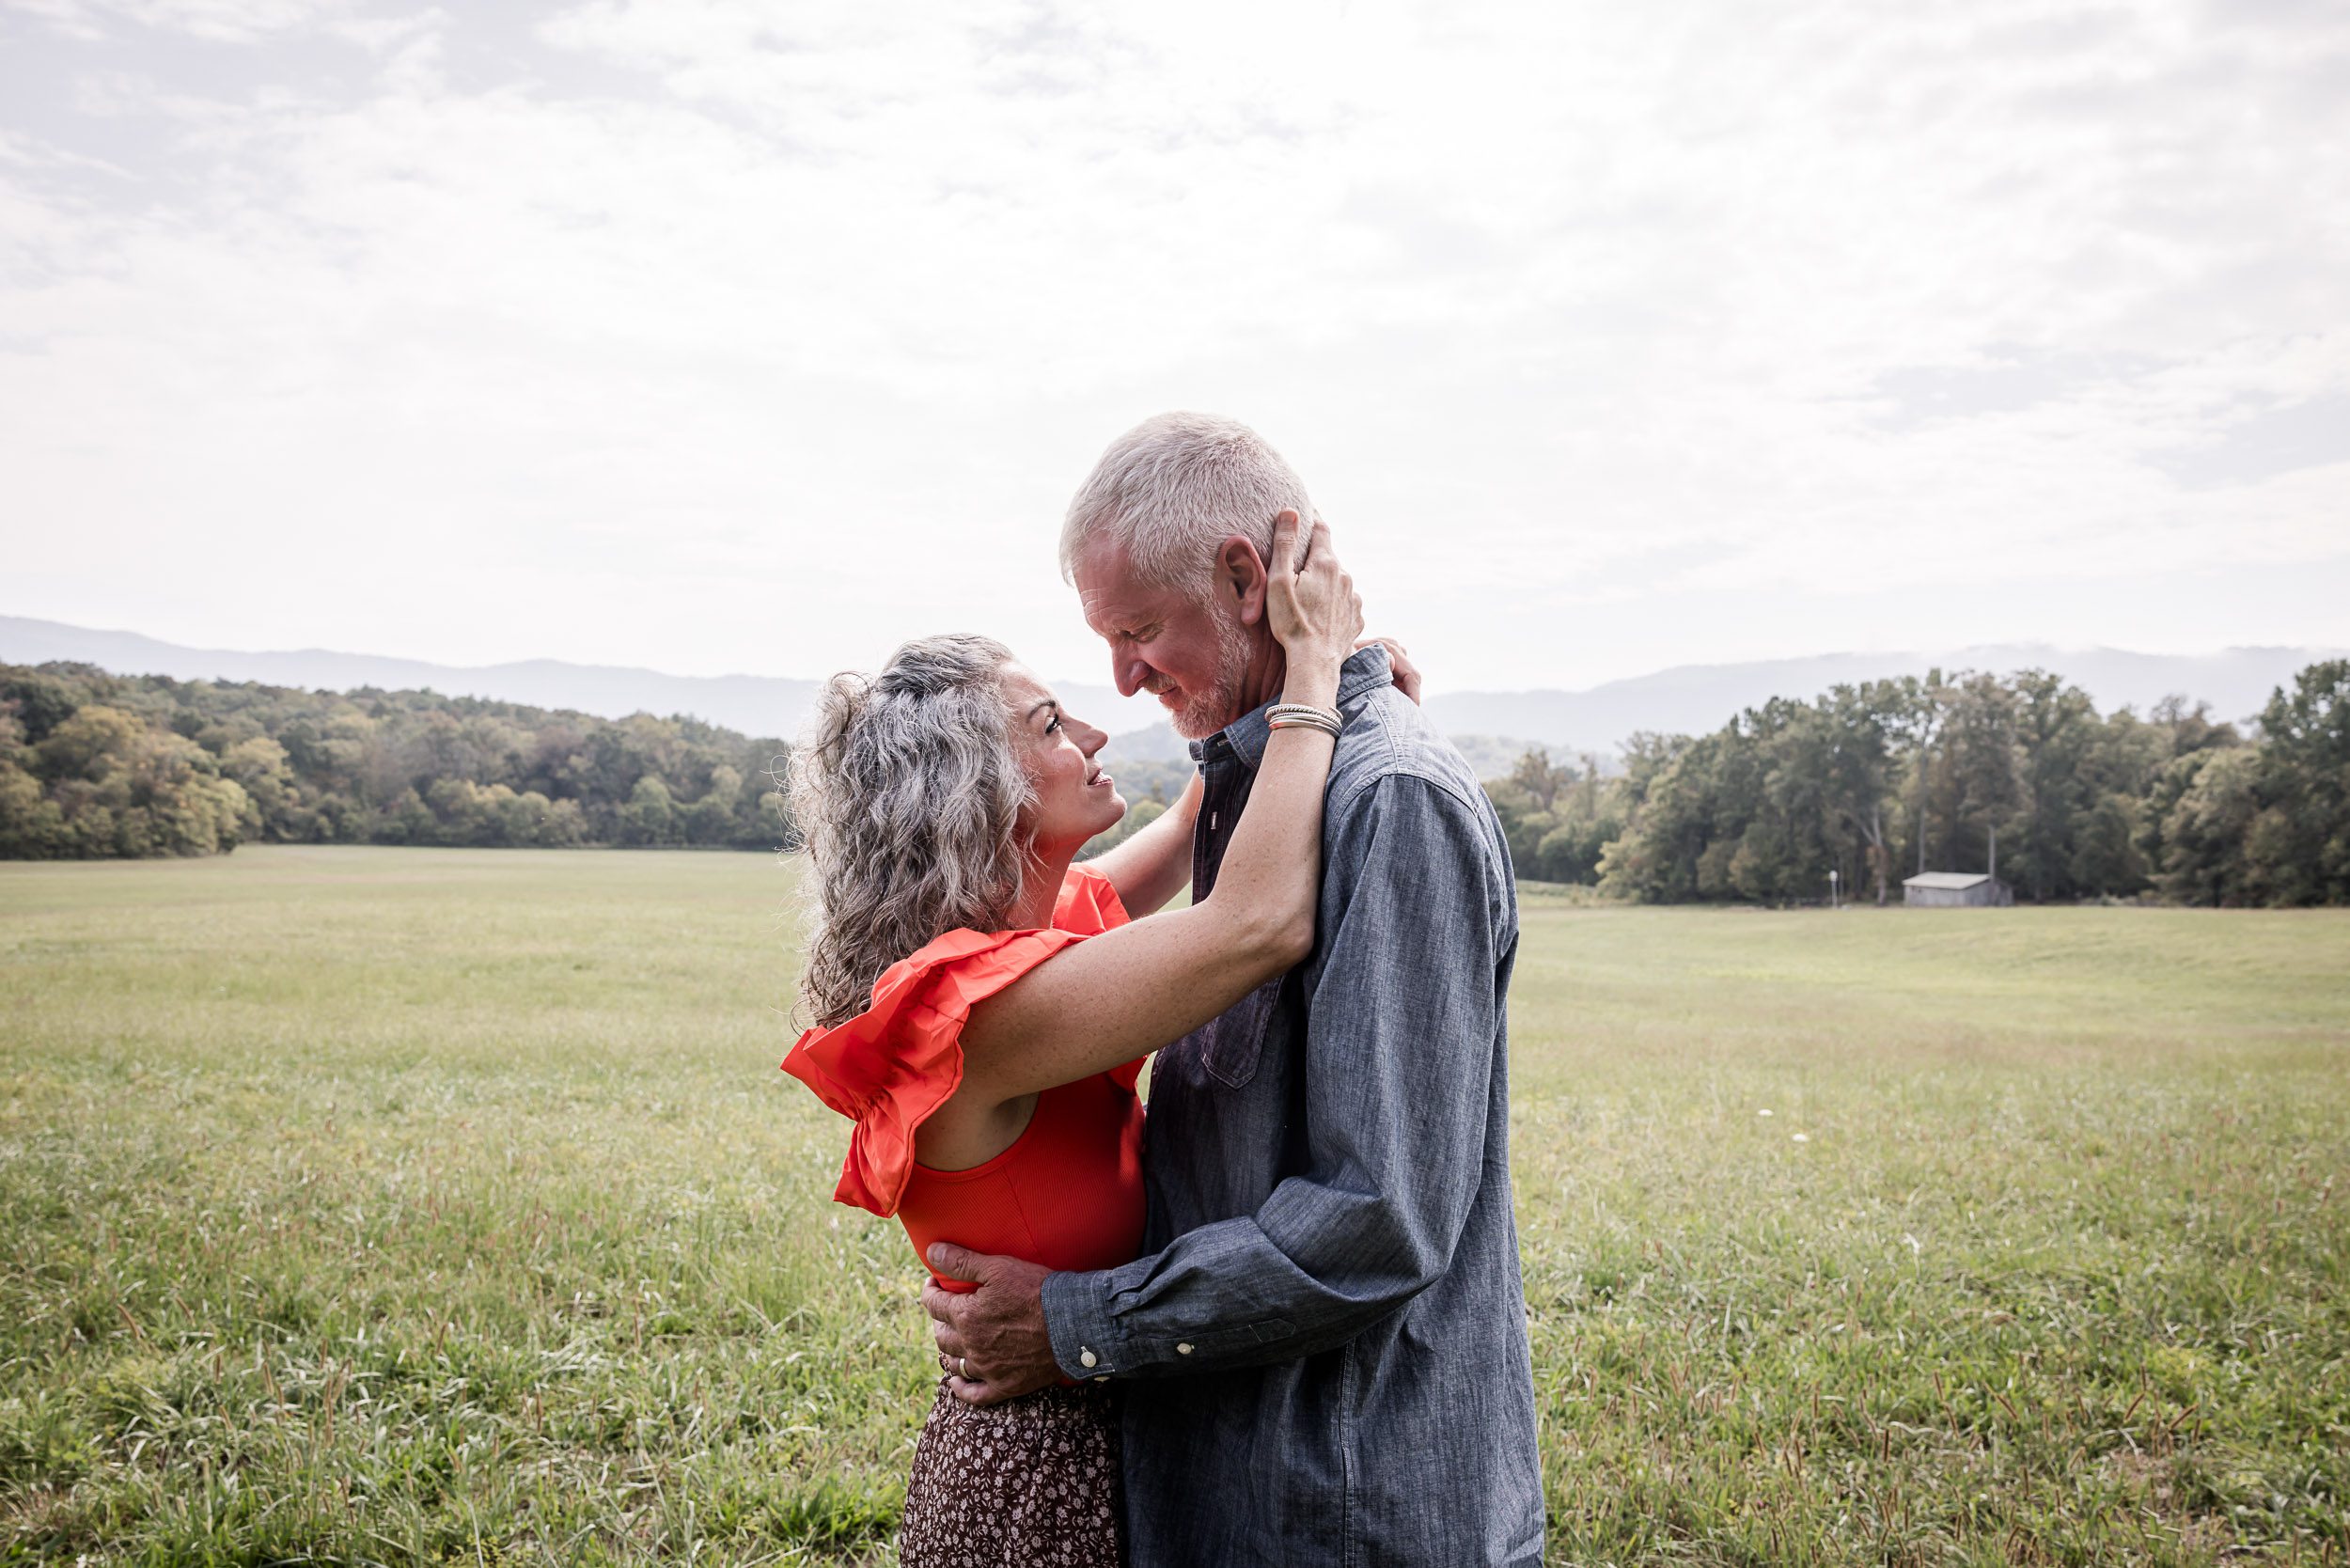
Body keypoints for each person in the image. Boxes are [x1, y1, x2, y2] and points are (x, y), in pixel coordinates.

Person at [922, 413, 1544, 1566]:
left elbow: (1376, 1219)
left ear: (1246, 580)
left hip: (1343, 1504)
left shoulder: (1387, 800)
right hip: (1222, 1484)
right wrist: (1318, 691)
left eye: (1141, 631)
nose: (1119, 681)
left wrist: (1073, 1327)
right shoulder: (1264, 792)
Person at [781, 511, 1367, 1565]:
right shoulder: (979, 1014)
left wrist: (1272, 663)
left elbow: (1201, 822)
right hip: (1047, 1473)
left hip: (1101, 1413)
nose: (1093, 735)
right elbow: (1254, 921)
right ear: (980, 791)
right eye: (1051, 726)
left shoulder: (1035, 935)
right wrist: (1315, 673)